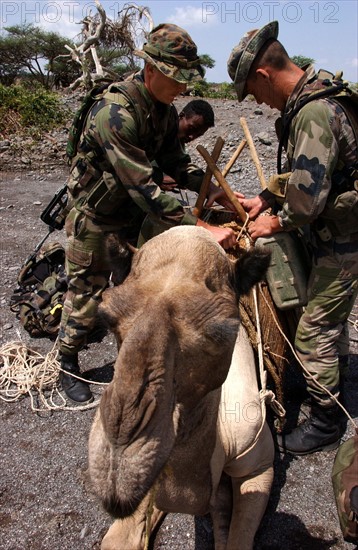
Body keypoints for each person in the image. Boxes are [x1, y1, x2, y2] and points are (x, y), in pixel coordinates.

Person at [58, 23, 238, 404]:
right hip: (97, 218)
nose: (182, 89)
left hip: (131, 218)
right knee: (86, 292)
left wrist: (213, 188)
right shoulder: (115, 113)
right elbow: (145, 187)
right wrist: (202, 228)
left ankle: (126, 345)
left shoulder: (166, 113)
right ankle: (67, 361)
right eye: (176, 79)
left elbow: (176, 164)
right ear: (151, 70)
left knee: (131, 289)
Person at [227, 21, 358, 455]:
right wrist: (267, 194)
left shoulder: (313, 112)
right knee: (325, 318)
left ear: (263, 75)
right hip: (338, 233)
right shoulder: (319, 94)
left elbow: (304, 203)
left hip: (345, 242)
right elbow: (310, 171)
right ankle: (331, 374)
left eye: (254, 92)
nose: (260, 103)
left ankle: (325, 421)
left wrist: (274, 222)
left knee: (314, 327)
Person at [155, 99, 215, 192]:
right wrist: (156, 178)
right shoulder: (156, 127)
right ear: (181, 116)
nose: (192, 136)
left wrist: (212, 189)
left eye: (198, 135)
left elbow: (180, 166)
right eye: (191, 128)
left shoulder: (175, 141)